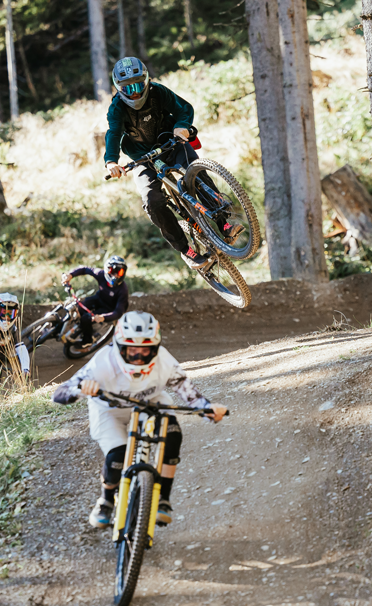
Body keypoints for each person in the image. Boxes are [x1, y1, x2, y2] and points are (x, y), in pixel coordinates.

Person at [51, 311, 228, 528]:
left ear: (156, 347)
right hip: (108, 410)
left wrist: (209, 410)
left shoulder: (165, 361)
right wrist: (80, 389)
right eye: (132, 350)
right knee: (117, 456)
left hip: (150, 404)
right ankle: (106, 500)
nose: (138, 357)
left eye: (145, 350)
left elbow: (191, 395)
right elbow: (59, 394)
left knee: (172, 435)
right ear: (119, 346)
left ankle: (163, 498)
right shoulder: (102, 362)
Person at [103, 57, 243, 270]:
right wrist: (111, 161)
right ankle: (187, 250)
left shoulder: (158, 92)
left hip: (171, 142)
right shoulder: (117, 109)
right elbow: (113, 134)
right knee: (153, 201)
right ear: (119, 89)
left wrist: (182, 126)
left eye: (138, 85)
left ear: (147, 81)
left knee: (195, 173)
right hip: (142, 157)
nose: (134, 93)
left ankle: (224, 224)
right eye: (128, 88)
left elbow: (183, 108)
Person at [61, 255, 129, 348]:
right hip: (99, 299)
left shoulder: (123, 290)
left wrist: (103, 317)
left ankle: (87, 341)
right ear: (107, 270)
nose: (116, 275)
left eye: (120, 272)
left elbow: (118, 312)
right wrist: (70, 275)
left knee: (86, 318)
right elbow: (85, 269)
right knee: (80, 307)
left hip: (109, 309)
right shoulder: (101, 274)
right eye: (113, 271)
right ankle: (85, 328)